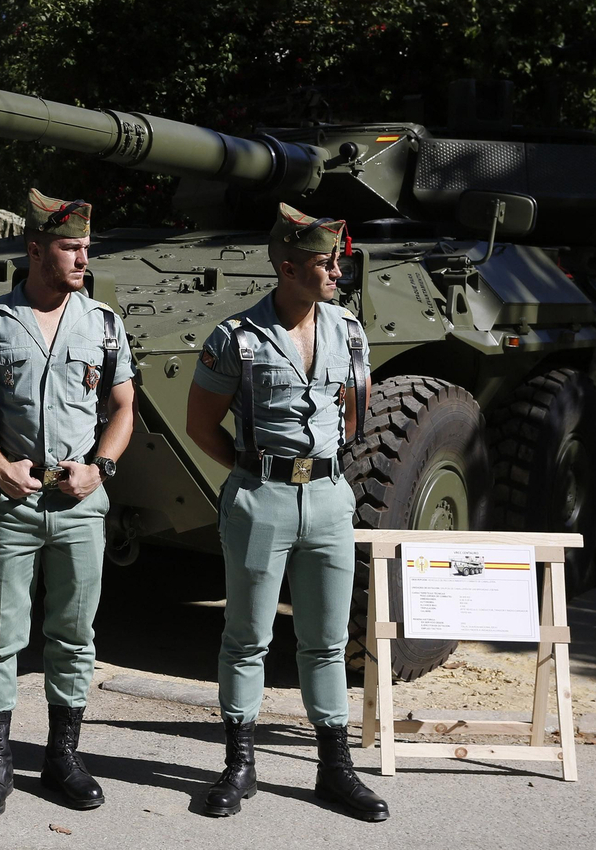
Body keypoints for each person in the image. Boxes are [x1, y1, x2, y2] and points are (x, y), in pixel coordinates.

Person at [184, 202, 386, 822]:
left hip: (327, 498)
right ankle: (239, 766)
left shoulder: (349, 329)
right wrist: (256, 473)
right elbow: (200, 426)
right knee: (246, 638)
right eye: (326, 263)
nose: (337, 273)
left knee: (326, 641)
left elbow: (357, 411)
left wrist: (321, 470)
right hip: (260, 497)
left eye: (337, 262)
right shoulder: (236, 338)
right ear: (289, 267)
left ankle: (334, 768)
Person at [0, 189, 136, 818]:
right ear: (35, 250)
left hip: (79, 502)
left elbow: (124, 407)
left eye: (86, 246)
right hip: (12, 500)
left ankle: (62, 757)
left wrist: (101, 470)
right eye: (70, 246)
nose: (84, 256)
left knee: (74, 634)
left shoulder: (104, 323)